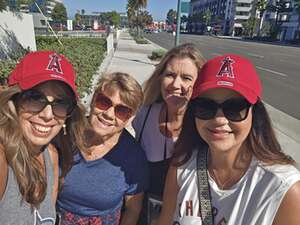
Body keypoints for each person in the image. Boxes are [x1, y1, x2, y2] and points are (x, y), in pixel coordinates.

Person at [158, 54, 300, 225]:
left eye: (235, 107)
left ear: (255, 113)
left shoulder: (283, 190)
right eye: (206, 106)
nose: (219, 120)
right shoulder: (181, 166)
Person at [0, 51, 87, 225]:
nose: (47, 115)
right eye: (35, 98)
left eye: (60, 103)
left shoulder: (51, 155)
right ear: (14, 100)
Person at [56, 72, 149, 225]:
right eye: (104, 102)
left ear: (130, 118)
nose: (109, 114)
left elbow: (133, 210)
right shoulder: (66, 134)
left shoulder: (134, 157)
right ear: (93, 100)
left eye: (121, 111)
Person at [132, 43, 206, 200]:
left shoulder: (205, 125)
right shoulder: (144, 114)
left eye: (186, 78)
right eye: (170, 75)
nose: (175, 84)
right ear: (160, 78)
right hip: (144, 208)